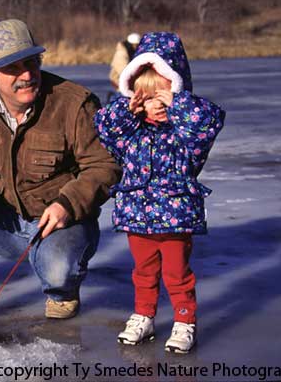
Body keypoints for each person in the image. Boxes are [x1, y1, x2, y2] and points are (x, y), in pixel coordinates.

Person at [0, 19, 121, 330]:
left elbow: (104, 166)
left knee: (57, 272)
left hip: (60, 224)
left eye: (31, 62)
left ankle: (62, 291)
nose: (27, 75)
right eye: (13, 68)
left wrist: (67, 204)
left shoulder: (74, 104)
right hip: (5, 223)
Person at [94, 32, 225, 353]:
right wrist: (128, 109)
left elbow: (208, 121)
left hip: (176, 218)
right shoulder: (129, 134)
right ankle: (143, 316)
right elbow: (103, 126)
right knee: (143, 272)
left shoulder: (186, 136)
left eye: (165, 94)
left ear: (179, 91)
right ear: (136, 98)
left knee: (176, 274)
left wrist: (177, 101)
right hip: (136, 217)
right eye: (149, 97)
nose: (158, 103)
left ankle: (184, 321)